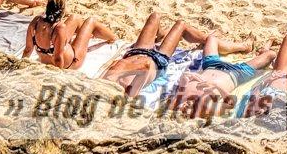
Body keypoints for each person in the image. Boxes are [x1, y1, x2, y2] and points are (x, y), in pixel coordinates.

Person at [101, 11, 253, 98]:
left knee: (155, 16)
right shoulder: (123, 92)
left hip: (136, 51)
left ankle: (161, 35)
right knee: (181, 25)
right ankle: (237, 45)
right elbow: (146, 67)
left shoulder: (104, 82)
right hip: (156, 60)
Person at [24, 0, 119, 69]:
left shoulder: (36, 22)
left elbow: (28, 49)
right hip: (71, 62)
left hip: (46, 59)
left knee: (75, 18)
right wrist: (58, 76)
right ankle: (113, 38)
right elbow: (57, 59)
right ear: (62, 11)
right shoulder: (59, 28)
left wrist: (21, 66)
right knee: (91, 21)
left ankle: (85, 35)